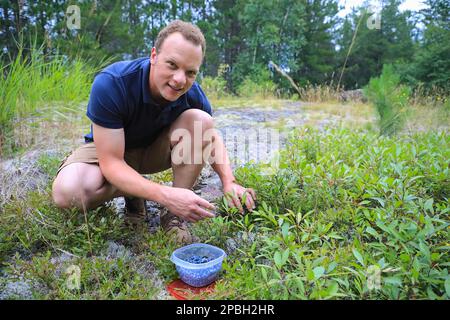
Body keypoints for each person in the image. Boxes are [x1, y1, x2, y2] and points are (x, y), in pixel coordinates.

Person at [51, 20, 256, 244]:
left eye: (190, 72)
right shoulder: (112, 83)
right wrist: (165, 195)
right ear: (154, 56)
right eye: (172, 64)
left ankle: (174, 216)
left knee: (201, 121)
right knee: (67, 192)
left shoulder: (194, 95)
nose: (180, 80)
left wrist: (229, 181)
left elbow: (211, 138)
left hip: (154, 153)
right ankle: (136, 192)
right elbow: (111, 162)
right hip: (109, 152)